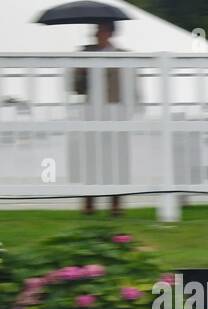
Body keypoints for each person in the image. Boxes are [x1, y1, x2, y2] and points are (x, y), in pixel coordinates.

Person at [71, 21, 132, 215]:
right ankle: (89, 202)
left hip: (116, 114)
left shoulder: (125, 56)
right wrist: (82, 73)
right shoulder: (84, 54)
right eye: (96, 30)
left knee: (116, 160)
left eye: (102, 30)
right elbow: (77, 88)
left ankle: (116, 203)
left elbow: (131, 87)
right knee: (91, 160)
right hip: (92, 114)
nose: (97, 33)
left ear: (111, 32)